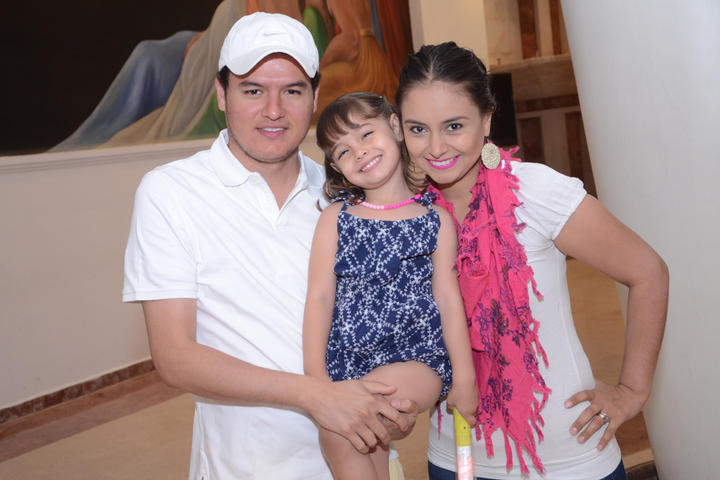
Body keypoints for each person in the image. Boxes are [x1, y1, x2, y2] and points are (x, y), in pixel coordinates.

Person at [122, 13, 417, 479]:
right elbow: (175, 356)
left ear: (315, 97)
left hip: (363, 455)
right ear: (222, 94)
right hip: (246, 468)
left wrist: (396, 400)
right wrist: (315, 396)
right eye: (253, 90)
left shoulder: (344, 195)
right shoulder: (171, 192)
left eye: (293, 91)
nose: (274, 110)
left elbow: (382, 319)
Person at [394, 42, 669, 480]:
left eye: (454, 126)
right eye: (418, 129)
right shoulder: (405, 216)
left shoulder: (537, 192)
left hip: (567, 461)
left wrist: (631, 390)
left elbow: (648, 272)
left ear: (487, 118)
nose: (436, 147)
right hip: (454, 456)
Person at [303, 92, 479, 479]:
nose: (360, 152)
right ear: (336, 168)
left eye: (366, 134)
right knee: (357, 440)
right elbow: (319, 297)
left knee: (345, 428)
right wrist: (316, 380)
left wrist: (464, 377)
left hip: (417, 357)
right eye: (343, 151)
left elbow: (449, 300)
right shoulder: (335, 219)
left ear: (396, 126)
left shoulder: (435, 220)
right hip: (348, 364)